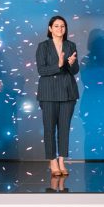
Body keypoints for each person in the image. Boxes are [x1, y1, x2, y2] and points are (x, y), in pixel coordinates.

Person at [36, 16, 79, 176]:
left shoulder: (70, 45)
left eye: (62, 26)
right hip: (48, 93)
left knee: (64, 128)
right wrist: (59, 65)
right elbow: (41, 70)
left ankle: (61, 160)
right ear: (50, 28)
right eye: (56, 26)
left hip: (68, 92)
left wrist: (71, 64)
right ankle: (52, 160)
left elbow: (75, 71)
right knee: (49, 128)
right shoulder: (43, 46)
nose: (60, 29)